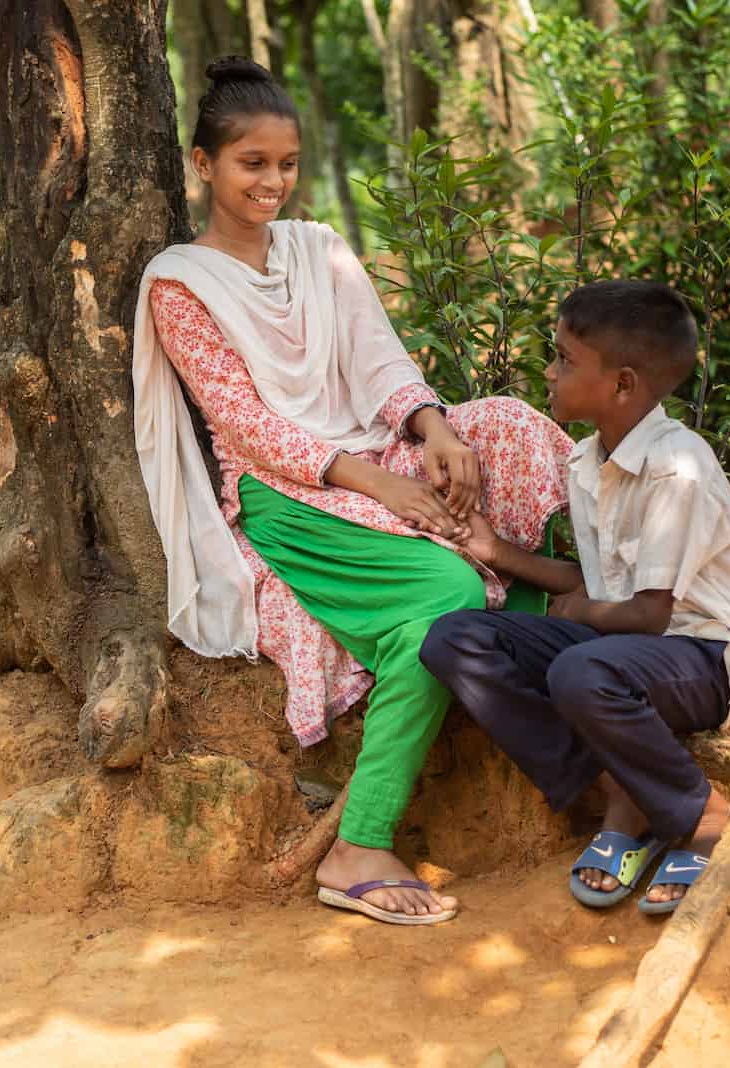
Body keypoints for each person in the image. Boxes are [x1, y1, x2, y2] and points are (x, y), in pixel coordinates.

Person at [132, 56, 574, 925]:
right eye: (251, 163)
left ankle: (571, 663)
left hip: (378, 449)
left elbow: (379, 359)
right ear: (203, 163)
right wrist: (377, 484)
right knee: (445, 595)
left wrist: (434, 429)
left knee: (516, 429)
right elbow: (247, 423)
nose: (273, 182)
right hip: (286, 489)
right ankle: (360, 842)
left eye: (286, 163)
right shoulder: (179, 282)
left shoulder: (319, 248)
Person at [419, 280, 730, 913]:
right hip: (621, 649)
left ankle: (704, 815)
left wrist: (575, 615)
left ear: (623, 385)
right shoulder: (586, 462)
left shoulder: (676, 468)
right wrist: (496, 553)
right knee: (457, 639)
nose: (548, 372)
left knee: (578, 669)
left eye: (564, 359)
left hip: (702, 659)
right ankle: (619, 791)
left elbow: (651, 615)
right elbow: (598, 587)